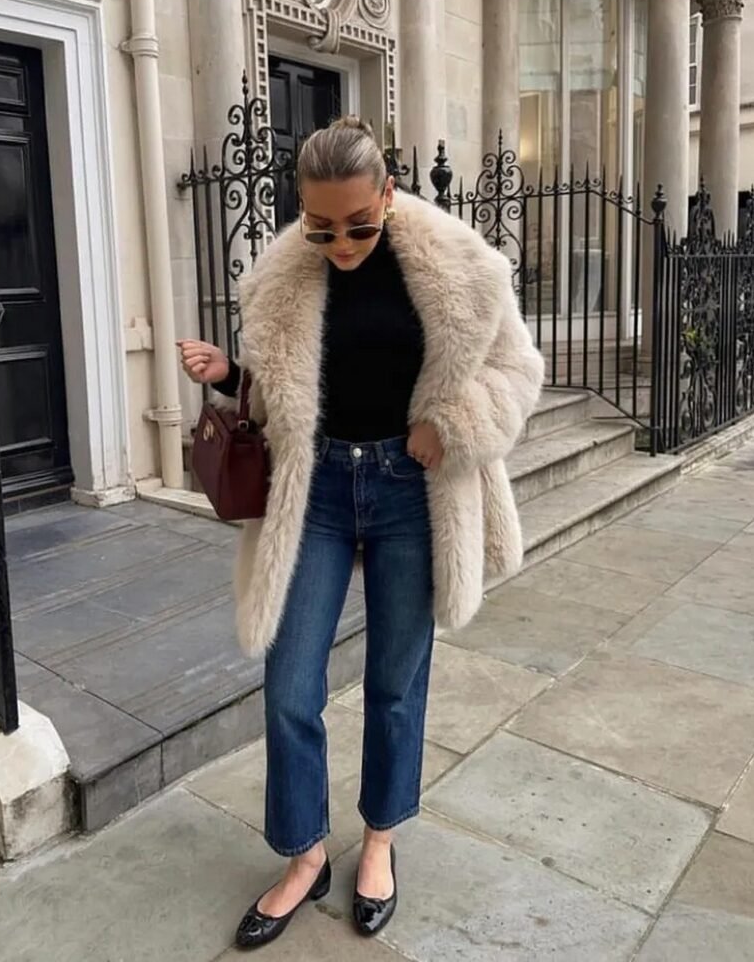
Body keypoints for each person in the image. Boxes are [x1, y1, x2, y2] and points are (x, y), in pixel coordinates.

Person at [178, 117, 544, 950]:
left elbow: (519, 372)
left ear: (387, 193)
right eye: (320, 226)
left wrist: (450, 423)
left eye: (359, 224)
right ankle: (304, 854)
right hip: (316, 495)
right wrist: (231, 376)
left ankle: (379, 839)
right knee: (290, 683)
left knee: (394, 682)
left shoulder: (459, 265)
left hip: (411, 490)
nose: (340, 242)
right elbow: (282, 396)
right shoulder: (282, 276)